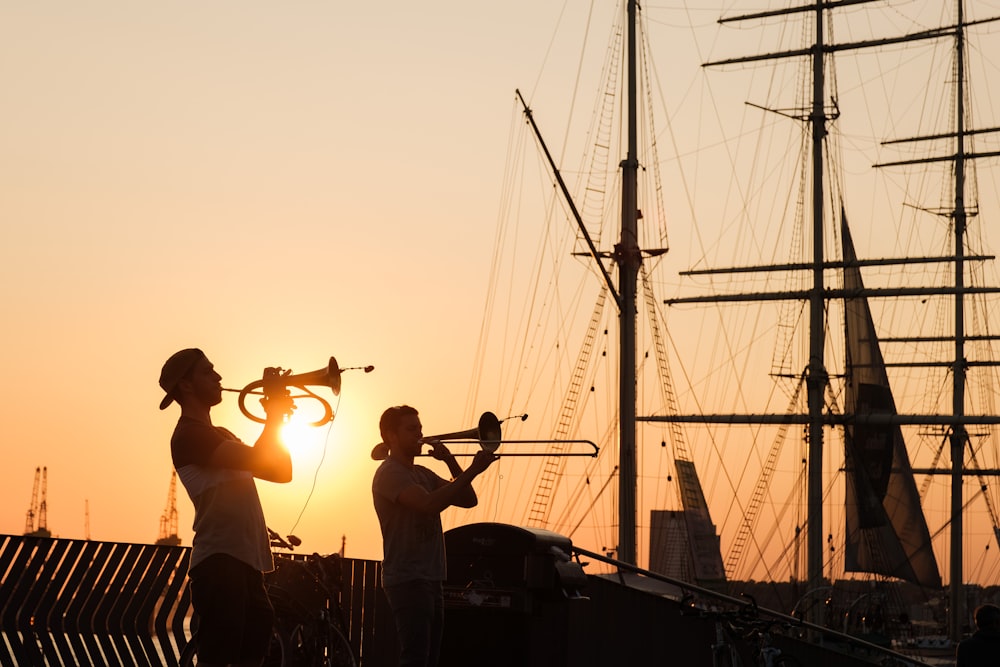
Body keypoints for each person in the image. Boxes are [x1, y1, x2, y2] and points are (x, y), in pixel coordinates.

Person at [159, 348, 294, 667]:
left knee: (251, 657)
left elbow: (281, 471)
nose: (219, 377)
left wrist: (278, 419)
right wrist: (273, 413)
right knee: (218, 659)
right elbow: (263, 460)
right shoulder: (189, 436)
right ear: (186, 385)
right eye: (208, 372)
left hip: (247, 562)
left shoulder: (221, 435)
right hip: (219, 562)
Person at [371, 405, 498, 667]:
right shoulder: (389, 473)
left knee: (430, 659)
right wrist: (473, 470)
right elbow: (428, 504)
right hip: (408, 579)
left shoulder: (423, 473)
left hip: (431, 578)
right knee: (415, 659)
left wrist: (451, 461)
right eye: (411, 429)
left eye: (419, 427)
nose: (420, 433)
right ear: (391, 436)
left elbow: (468, 499)